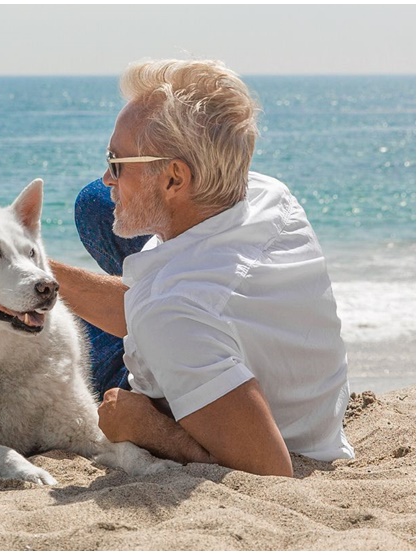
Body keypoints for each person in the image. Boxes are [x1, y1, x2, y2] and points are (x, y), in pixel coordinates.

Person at [50, 59, 355, 477]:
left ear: (175, 179)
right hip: (232, 354)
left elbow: (271, 471)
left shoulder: (174, 315)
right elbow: (182, 307)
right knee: (95, 204)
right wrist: (36, 269)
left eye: (117, 163)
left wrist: (147, 427)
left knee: (53, 332)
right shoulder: (268, 194)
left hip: (217, 402)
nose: (107, 175)